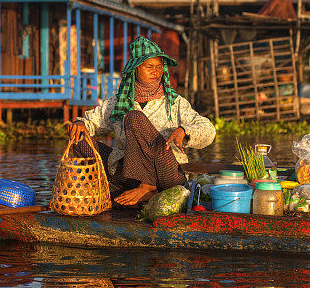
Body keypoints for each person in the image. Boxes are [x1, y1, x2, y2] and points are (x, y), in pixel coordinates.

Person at [67, 36, 216, 206]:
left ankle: (149, 188)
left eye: (160, 67)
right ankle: (125, 190)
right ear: (136, 69)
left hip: (167, 174)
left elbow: (208, 129)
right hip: (131, 175)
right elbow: (92, 121)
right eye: (149, 67)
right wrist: (80, 124)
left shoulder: (175, 103)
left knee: (134, 117)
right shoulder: (119, 102)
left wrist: (184, 131)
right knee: (79, 140)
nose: (156, 71)